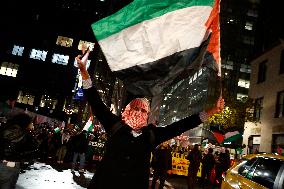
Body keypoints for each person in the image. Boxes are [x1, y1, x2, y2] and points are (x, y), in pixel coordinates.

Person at [76, 48, 224, 189]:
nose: (139, 113)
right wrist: (83, 70)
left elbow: (182, 125)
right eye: (135, 108)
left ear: (147, 116)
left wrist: (212, 111)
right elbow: (95, 101)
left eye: (143, 110)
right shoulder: (115, 125)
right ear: (127, 110)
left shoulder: (152, 135)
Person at [0, 112, 39, 189]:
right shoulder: (25, 134)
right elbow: (35, 147)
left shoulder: (5, 129)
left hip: (3, 163)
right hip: (13, 165)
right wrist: (32, 132)